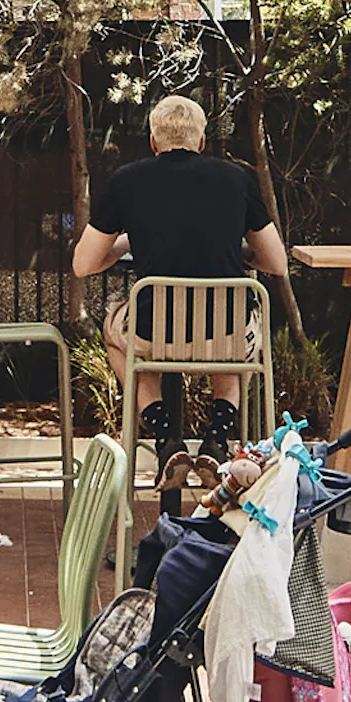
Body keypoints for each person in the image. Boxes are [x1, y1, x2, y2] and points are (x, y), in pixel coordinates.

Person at [72, 95, 288, 448]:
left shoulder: (126, 180)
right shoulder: (236, 178)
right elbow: (277, 264)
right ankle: (217, 436)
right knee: (239, 338)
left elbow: (83, 264)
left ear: (153, 142)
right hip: (223, 334)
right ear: (201, 141)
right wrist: (238, 254)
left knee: (117, 331)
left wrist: (127, 241)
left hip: (156, 335)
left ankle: (163, 433)